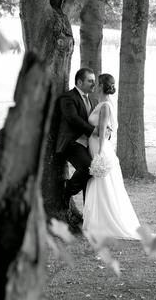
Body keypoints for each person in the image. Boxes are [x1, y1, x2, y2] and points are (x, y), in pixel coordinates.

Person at [83, 73, 141, 240]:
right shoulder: (101, 104)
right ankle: (98, 221)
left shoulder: (105, 106)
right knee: (99, 184)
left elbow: (103, 131)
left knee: (102, 184)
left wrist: (100, 153)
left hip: (100, 148)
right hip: (95, 146)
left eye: (96, 83)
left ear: (101, 86)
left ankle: (105, 222)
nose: (94, 85)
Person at [56, 68, 98, 206]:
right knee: (89, 168)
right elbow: (73, 119)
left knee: (92, 177)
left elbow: (93, 120)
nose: (94, 84)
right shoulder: (68, 97)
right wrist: (94, 131)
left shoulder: (92, 99)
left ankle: (88, 213)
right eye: (90, 81)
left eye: (94, 81)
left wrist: (104, 131)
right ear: (79, 82)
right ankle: (66, 190)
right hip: (71, 143)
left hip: (87, 144)